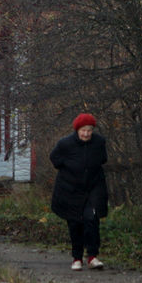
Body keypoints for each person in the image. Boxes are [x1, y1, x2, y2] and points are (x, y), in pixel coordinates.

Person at [50, 113, 109, 271]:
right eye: (83, 130)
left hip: (93, 188)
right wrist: (70, 171)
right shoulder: (65, 144)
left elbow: (103, 159)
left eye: (89, 130)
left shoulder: (99, 143)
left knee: (92, 220)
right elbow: (55, 159)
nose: (86, 134)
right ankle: (77, 258)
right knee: (75, 223)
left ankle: (92, 256)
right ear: (77, 130)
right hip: (70, 190)